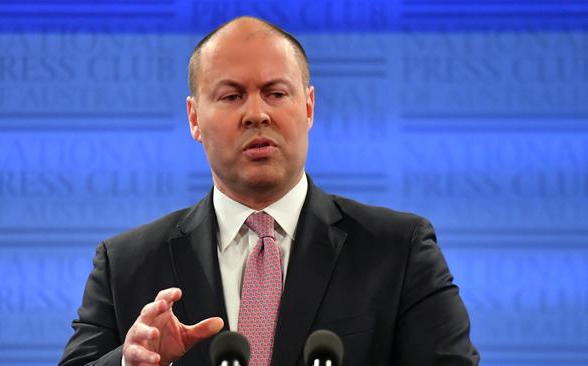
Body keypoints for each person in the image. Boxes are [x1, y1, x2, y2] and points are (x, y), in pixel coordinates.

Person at [59, 16, 479, 366]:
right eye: (231, 96)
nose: (256, 114)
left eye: (276, 93)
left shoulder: (398, 251)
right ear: (193, 118)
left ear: (309, 107)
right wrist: (128, 364)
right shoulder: (127, 264)